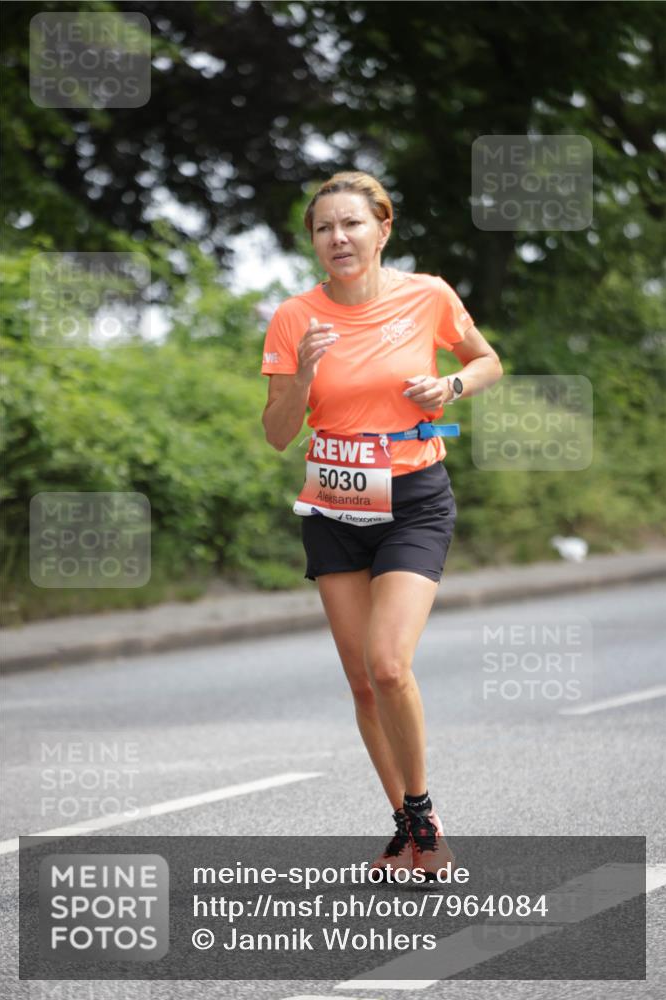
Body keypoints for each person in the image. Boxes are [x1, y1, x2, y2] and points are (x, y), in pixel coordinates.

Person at [261, 171, 502, 878]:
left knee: (389, 663)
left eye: (351, 224)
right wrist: (302, 378)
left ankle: (426, 821)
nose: (337, 237)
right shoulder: (293, 317)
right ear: (312, 241)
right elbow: (277, 433)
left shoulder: (426, 296)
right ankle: (405, 833)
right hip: (334, 506)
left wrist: (451, 384)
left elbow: (485, 360)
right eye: (323, 228)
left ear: (382, 229)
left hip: (413, 498)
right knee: (363, 682)